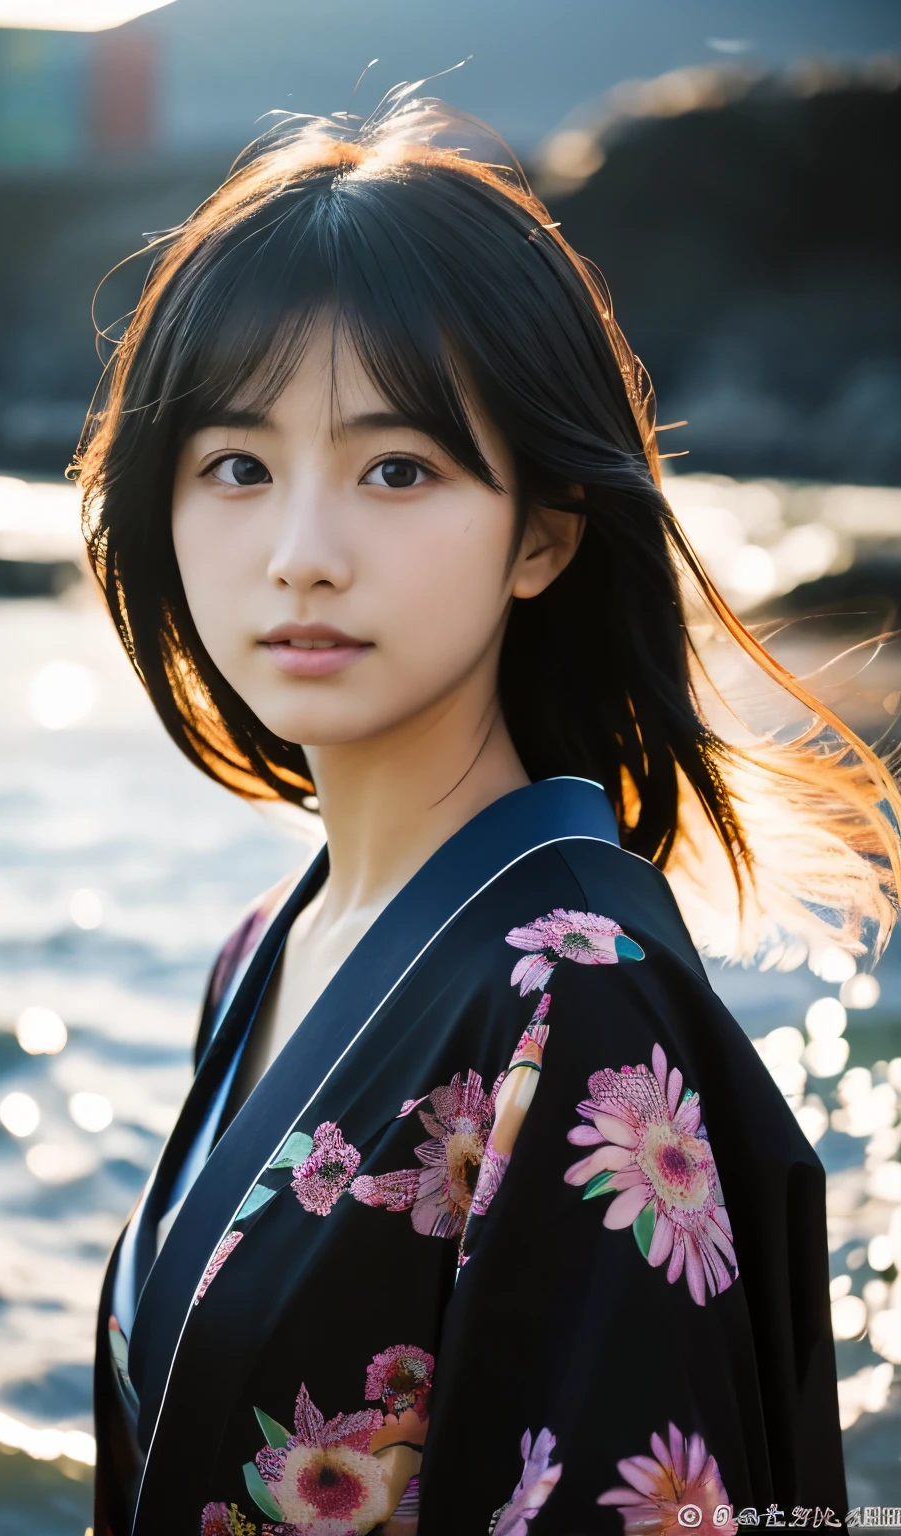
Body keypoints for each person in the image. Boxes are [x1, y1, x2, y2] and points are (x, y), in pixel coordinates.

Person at [74, 85, 901, 1536]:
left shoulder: (582, 1006)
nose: (302, 555)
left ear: (542, 533)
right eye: (237, 468)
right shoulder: (274, 938)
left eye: (397, 469)